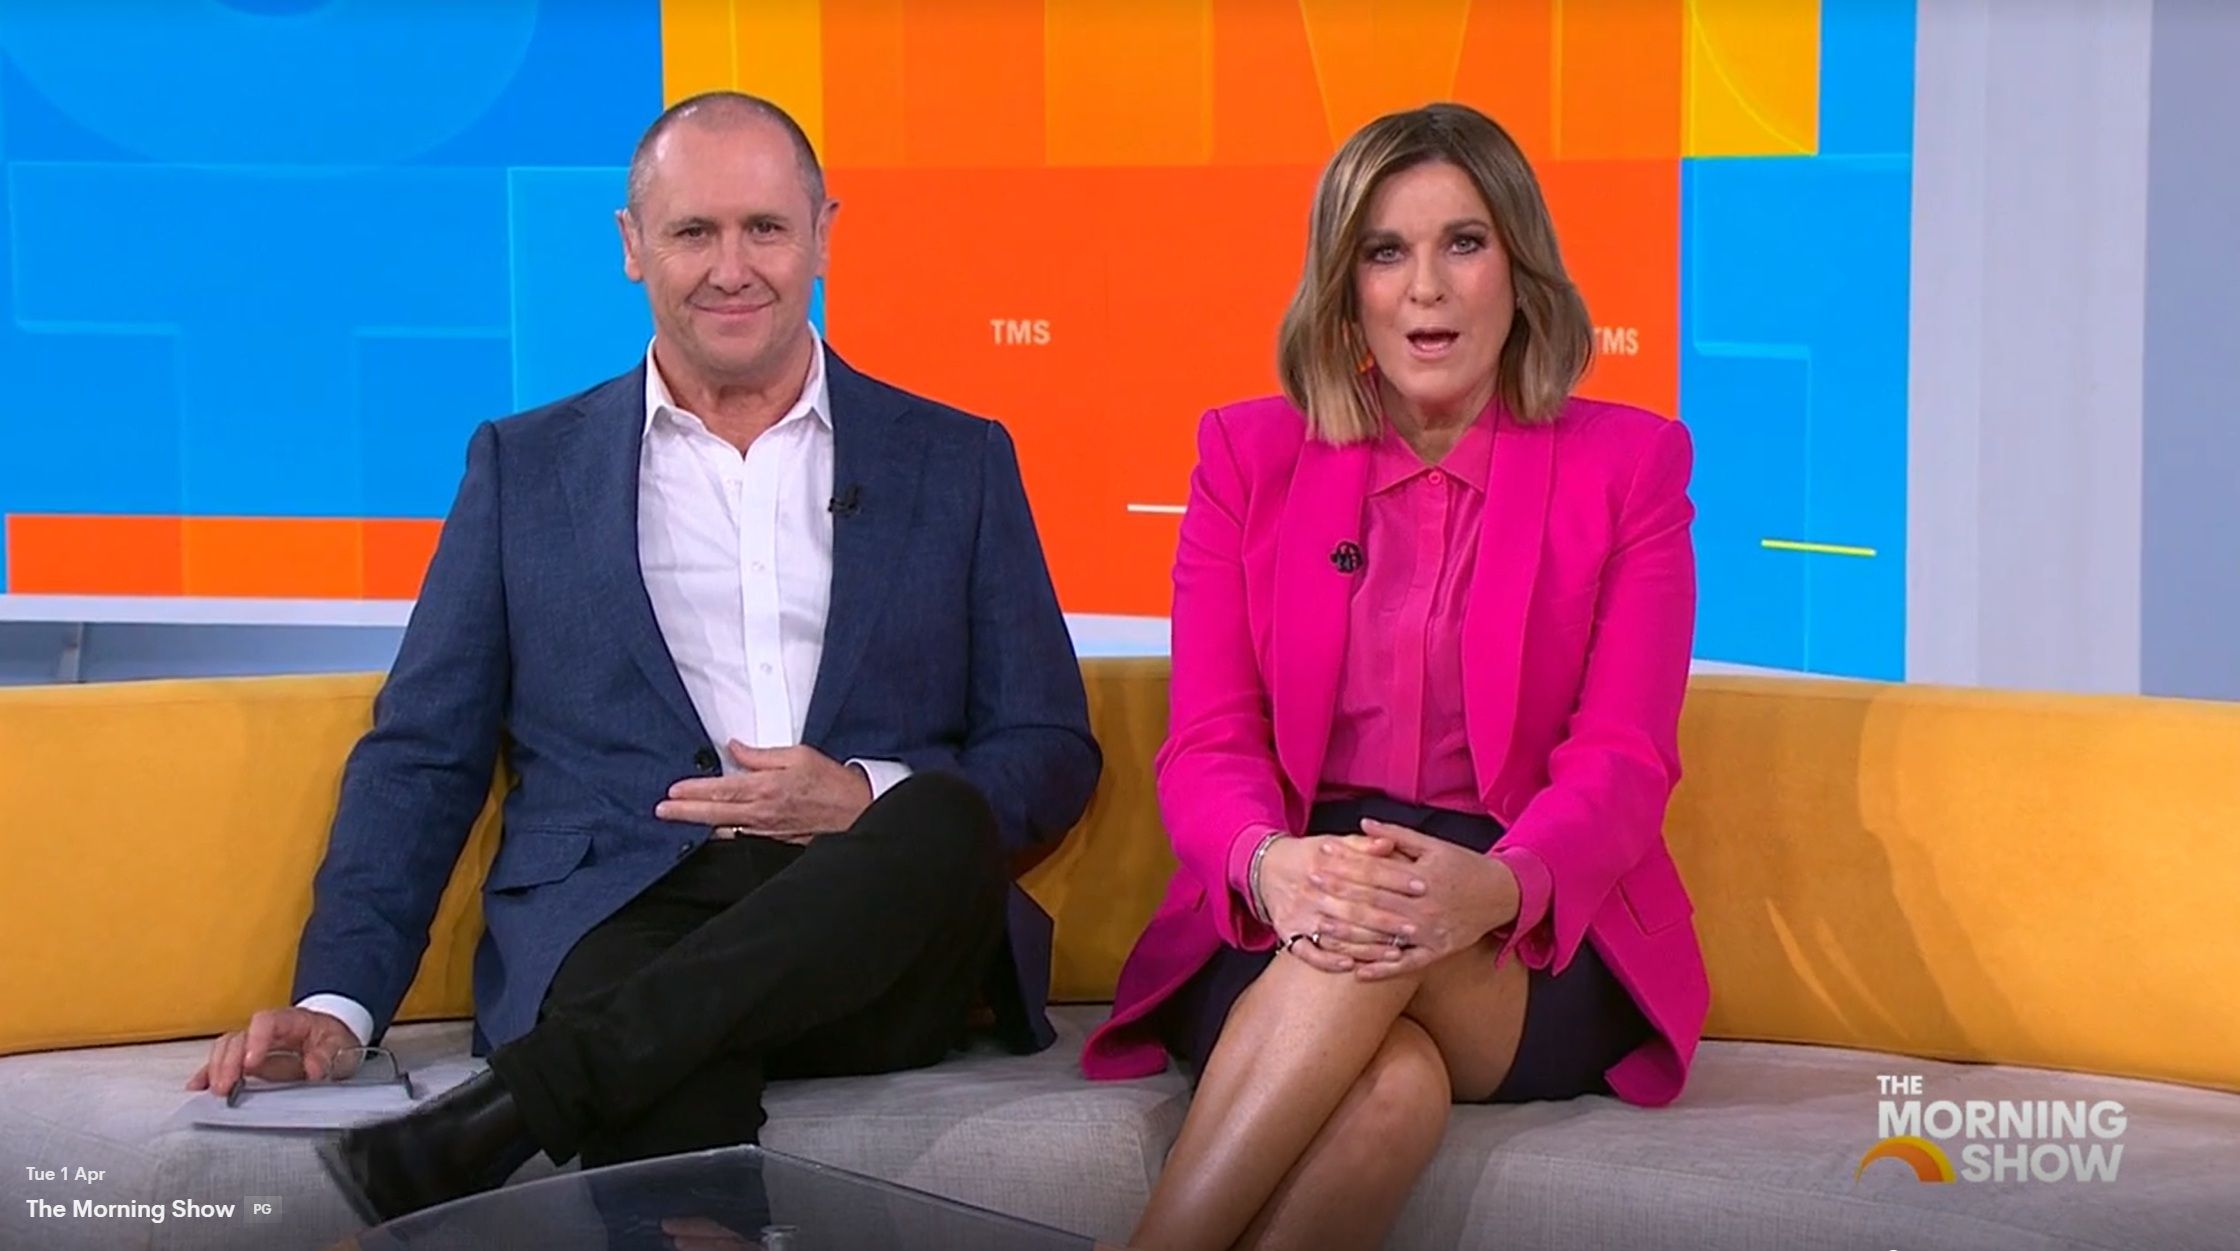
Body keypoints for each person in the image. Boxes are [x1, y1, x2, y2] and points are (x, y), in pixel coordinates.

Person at [182, 90, 1101, 1226]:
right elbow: (423, 753)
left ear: (822, 234)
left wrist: (859, 799)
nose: (732, 268)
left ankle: (511, 1107)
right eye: (692, 231)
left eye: (765, 229)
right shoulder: (525, 469)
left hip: (873, 929)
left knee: (939, 817)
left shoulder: (955, 458)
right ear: (631, 246)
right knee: (659, 1046)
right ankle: (569, 1100)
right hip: (621, 911)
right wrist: (338, 1001)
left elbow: (1048, 745)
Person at [1080, 102, 1710, 1251]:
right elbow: (1209, 741)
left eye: (1462, 243)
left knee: (1368, 930)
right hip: (1291, 892)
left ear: (1518, 267)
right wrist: (1268, 866)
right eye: (1384, 251)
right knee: (1389, 1083)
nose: (1425, 288)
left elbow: (1621, 760)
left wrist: (1500, 886)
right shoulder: (1246, 458)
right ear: (1345, 286)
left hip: (1521, 923)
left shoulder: (1629, 468)